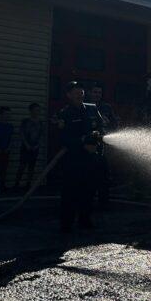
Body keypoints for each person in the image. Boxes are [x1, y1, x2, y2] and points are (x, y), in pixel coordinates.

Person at [56, 81, 95, 232]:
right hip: (72, 160)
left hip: (89, 158)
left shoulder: (91, 109)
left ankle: (85, 220)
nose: (80, 95)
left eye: (81, 92)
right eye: (76, 93)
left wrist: (96, 141)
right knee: (70, 192)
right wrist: (82, 144)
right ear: (69, 95)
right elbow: (63, 138)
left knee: (88, 190)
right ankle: (66, 224)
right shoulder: (64, 113)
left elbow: (100, 127)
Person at [14, 103, 44, 190]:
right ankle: (16, 184)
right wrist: (26, 144)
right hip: (25, 147)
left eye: (38, 110)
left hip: (35, 147)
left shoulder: (40, 122)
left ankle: (28, 184)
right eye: (36, 110)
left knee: (31, 166)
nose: (37, 112)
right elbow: (22, 133)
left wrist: (37, 145)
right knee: (22, 166)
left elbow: (41, 135)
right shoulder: (25, 121)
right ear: (31, 111)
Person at [0, 107, 14, 190]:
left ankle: (2, 185)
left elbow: (11, 138)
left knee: (4, 169)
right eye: (6, 114)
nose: (8, 116)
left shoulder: (10, 126)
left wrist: (8, 148)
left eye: (9, 114)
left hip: (6, 150)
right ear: (1, 115)